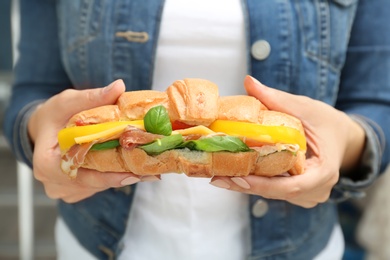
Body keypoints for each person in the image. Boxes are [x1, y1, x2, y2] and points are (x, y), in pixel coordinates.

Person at [3, 0, 390, 259]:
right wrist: (38, 130)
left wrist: (345, 144)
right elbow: (32, 93)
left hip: (298, 247)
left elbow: (378, 106)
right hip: (98, 244)